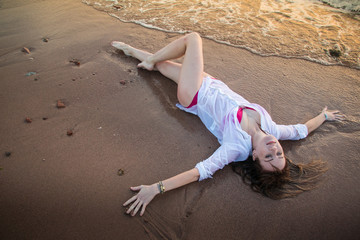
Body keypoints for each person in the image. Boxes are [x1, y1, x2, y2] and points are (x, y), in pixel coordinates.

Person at [111, 32, 344, 217]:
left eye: (268, 157)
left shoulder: (235, 147)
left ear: (255, 156)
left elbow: (198, 172)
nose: (274, 149)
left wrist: (156, 188)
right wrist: (324, 116)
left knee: (193, 39)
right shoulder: (274, 131)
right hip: (210, 81)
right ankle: (134, 53)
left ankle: (149, 59)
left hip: (194, 94)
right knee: (163, 65)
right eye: (279, 153)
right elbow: (302, 131)